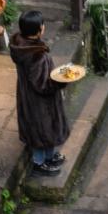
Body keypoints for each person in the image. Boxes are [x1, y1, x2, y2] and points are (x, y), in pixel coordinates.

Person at [10, 10, 70, 176]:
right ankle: (39, 163)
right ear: (38, 30)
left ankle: (49, 156)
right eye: (42, 25)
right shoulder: (36, 56)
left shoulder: (21, 46)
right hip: (40, 103)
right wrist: (61, 79)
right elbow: (43, 85)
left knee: (43, 130)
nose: (44, 26)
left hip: (28, 96)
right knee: (42, 129)